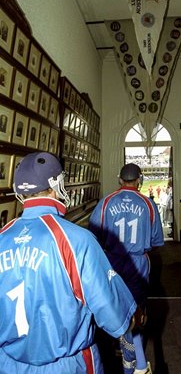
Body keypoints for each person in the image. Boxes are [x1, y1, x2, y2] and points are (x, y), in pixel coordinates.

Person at [0, 152, 137, 374]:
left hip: (7, 363)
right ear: (56, 185)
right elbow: (116, 315)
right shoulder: (76, 240)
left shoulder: (2, 237)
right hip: (67, 364)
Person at [89, 163, 164, 374]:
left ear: (120, 180)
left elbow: (94, 236)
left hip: (112, 262)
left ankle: (123, 352)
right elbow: (156, 241)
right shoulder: (148, 204)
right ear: (139, 180)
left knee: (113, 307)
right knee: (136, 312)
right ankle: (134, 361)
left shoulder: (105, 202)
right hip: (138, 263)